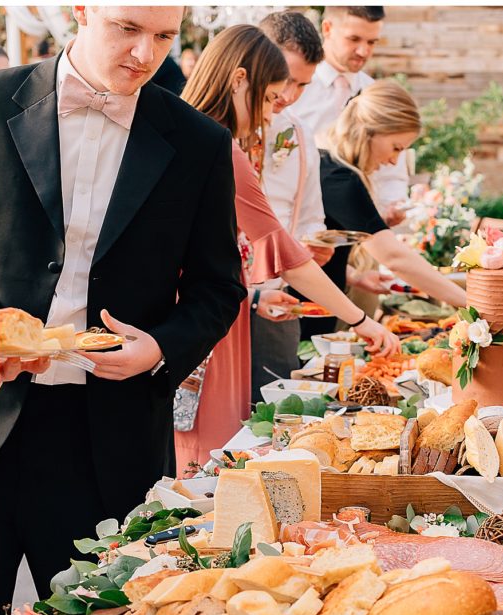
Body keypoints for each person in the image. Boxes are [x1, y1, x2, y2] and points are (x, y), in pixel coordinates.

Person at [0, 5, 245, 615]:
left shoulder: (200, 143)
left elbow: (220, 287)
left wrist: (158, 349)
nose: (144, 54)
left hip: (110, 432)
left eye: (163, 36)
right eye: (127, 29)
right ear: (80, 9)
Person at [175, 24, 398, 471]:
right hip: (207, 333)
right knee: (208, 465)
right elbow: (280, 249)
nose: (265, 118)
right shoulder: (216, 147)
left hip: (201, 317)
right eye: (269, 100)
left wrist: (255, 294)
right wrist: (360, 319)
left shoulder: (178, 131)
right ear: (239, 80)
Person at [317, 79, 467, 334]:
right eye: (395, 147)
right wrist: (471, 304)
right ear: (368, 131)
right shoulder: (340, 179)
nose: (393, 160)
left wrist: (353, 275)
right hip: (308, 314)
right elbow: (395, 257)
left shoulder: (328, 165)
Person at [251, 10, 331, 404]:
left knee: (274, 419)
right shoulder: (214, 127)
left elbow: (310, 217)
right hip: (218, 304)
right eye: (287, 78)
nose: (290, 94)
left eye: (302, 85)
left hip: (279, 303)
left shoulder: (300, 136)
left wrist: (315, 244)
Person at [290, 6, 409, 227]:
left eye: (372, 42)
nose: (363, 51)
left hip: (361, 231)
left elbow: (392, 169)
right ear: (327, 28)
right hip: (300, 222)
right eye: (354, 39)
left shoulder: (374, 93)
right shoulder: (295, 88)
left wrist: (393, 204)